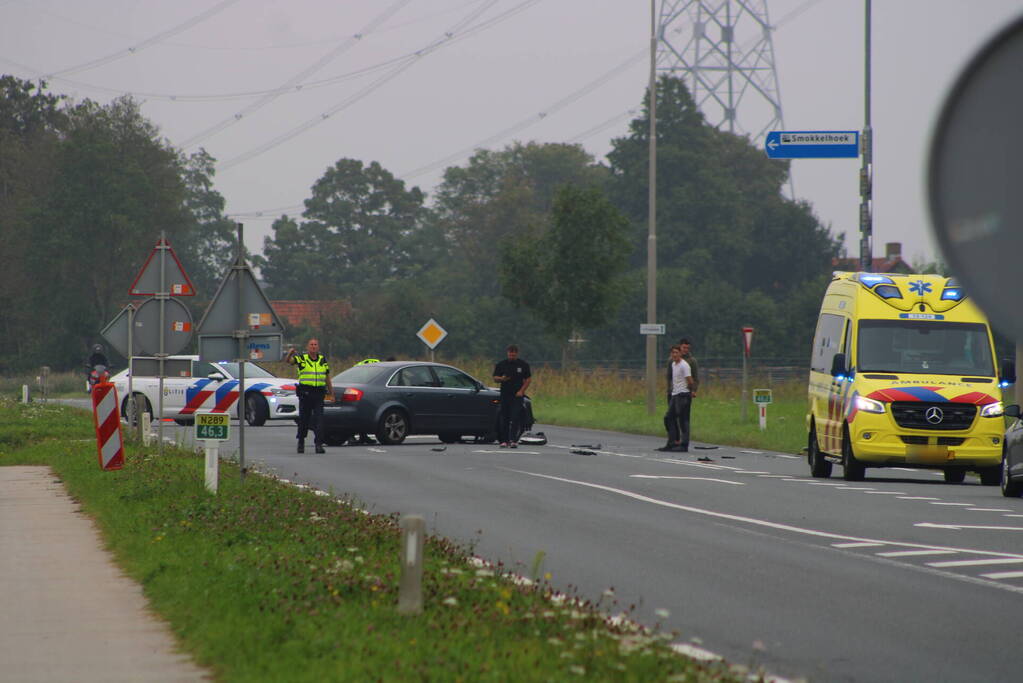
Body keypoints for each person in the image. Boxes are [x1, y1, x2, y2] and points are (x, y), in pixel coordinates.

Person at [286, 338, 334, 454]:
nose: (313, 346)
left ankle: (318, 444)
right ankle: (301, 442)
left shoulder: (322, 359)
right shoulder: (302, 358)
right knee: (304, 419)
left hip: (318, 393)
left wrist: (331, 393)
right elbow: (289, 361)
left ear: (318, 347)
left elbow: (327, 377)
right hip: (306, 393)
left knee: (319, 419)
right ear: (308, 347)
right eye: (311, 344)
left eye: (315, 344)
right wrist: (290, 353)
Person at [492, 344, 531, 448]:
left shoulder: (523, 365)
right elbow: (495, 378)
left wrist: (522, 391)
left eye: (514, 355)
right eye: (510, 354)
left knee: (515, 417)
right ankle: (504, 441)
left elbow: (528, 379)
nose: (512, 356)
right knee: (504, 417)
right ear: (507, 353)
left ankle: (513, 440)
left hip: (517, 395)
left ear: (517, 354)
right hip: (505, 394)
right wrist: (501, 379)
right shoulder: (501, 364)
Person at [658, 344, 694, 452]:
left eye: (676, 353)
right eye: (673, 353)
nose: (674, 355)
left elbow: (690, 381)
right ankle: (672, 442)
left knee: (683, 420)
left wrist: (689, 392)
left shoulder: (684, 365)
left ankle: (684, 445)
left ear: (680, 353)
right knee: (668, 418)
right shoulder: (673, 364)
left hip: (683, 395)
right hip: (675, 394)